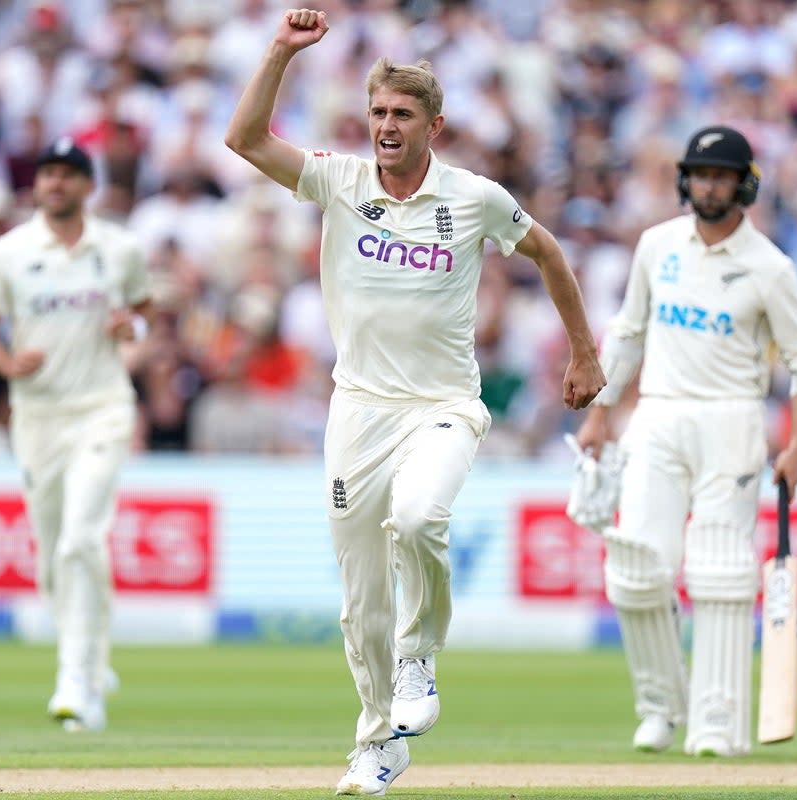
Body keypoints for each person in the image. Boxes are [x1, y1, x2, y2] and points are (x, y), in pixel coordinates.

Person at [225, 8, 605, 796]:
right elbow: (246, 141)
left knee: (423, 515)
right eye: (376, 113)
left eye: (401, 114)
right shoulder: (339, 179)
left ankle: (419, 657)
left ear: (435, 125)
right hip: (357, 409)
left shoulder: (473, 198)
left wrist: (584, 351)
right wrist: (279, 53)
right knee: (360, 596)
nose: (386, 126)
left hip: (443, 404)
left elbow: (548, 252)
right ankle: (376, 745)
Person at [574, 125, 797, 757]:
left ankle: (717, 719)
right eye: (701, 174)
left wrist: (795, 445)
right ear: (687, 181)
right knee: (635, 568)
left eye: (722, 175)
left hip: (732, 422)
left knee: (718, 571)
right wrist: (600, 413)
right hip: (657, 414)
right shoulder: (657, 246)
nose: (710, 185)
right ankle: (661, 707)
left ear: (745, 184)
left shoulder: (770, 267)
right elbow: (627, 332)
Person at [0, 138, 151, 732]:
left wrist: (132, 324)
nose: (55, 184)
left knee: (80, 539)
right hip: (38, 417)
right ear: (37, 184)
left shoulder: (118, 249)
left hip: (102, 407)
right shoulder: (9, 253)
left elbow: (145, 314)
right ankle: (93, 660)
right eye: (47, 174)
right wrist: (6, 363)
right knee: (52, 556)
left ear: (86, 185)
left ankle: (77, 679)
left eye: (68, 175)